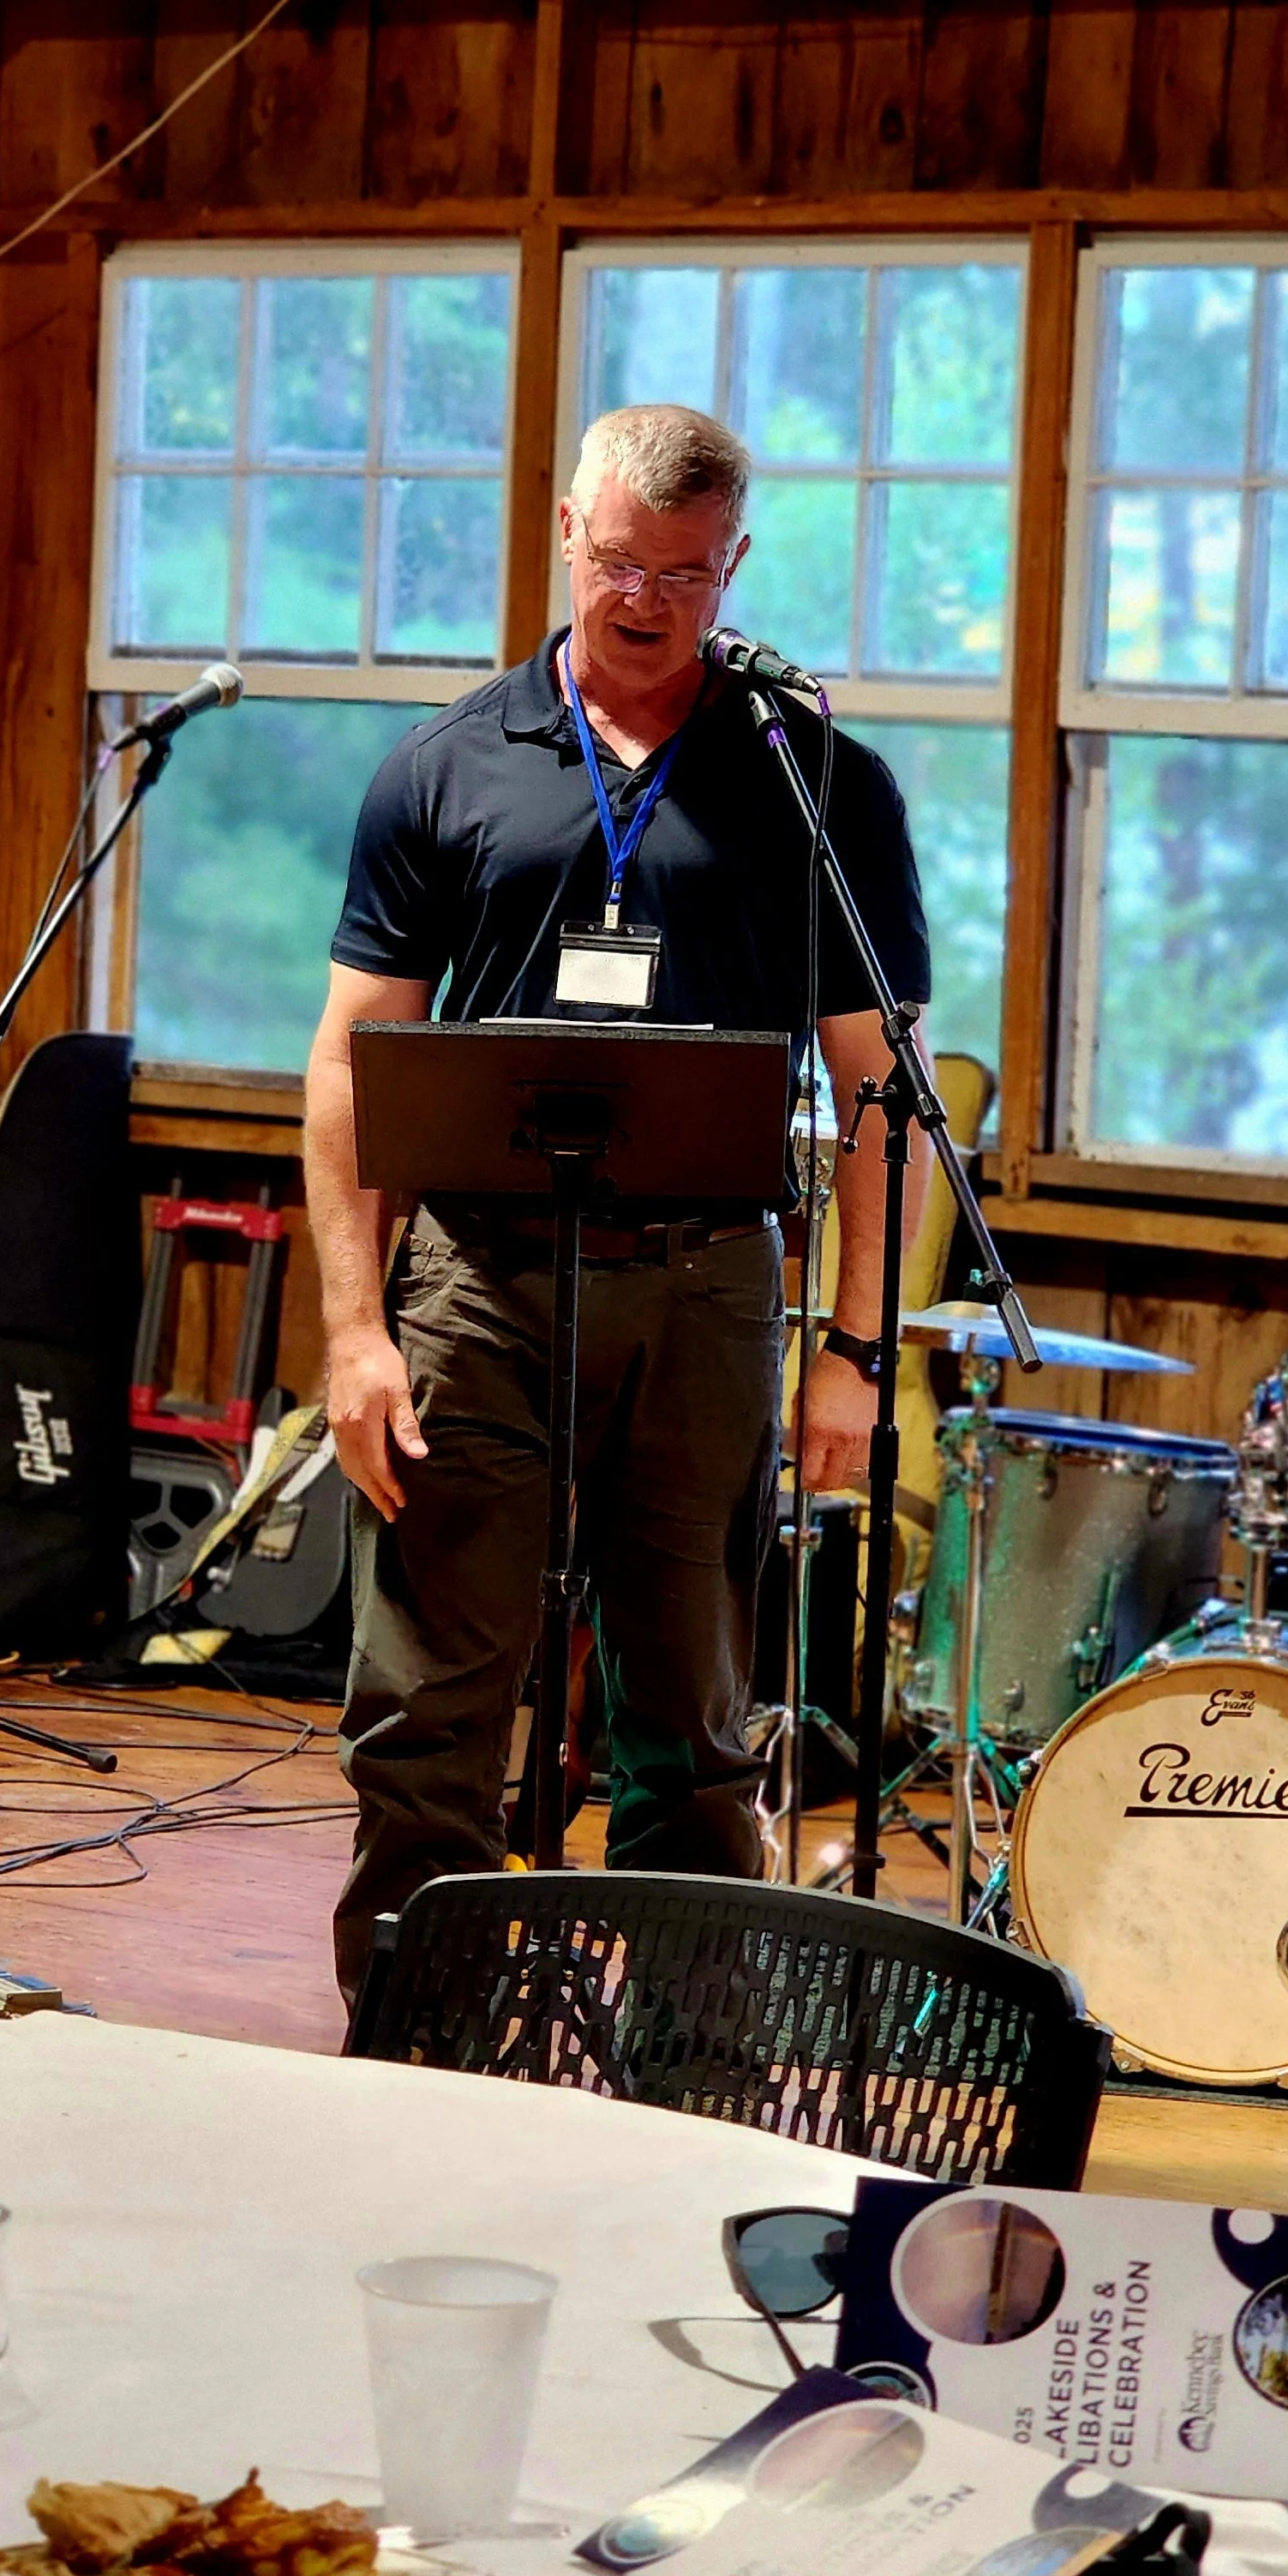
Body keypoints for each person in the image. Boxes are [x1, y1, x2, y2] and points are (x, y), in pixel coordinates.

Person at [304, 402, 932, 2005]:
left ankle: (686, 2070)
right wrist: (356, 1333)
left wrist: (859, 1348)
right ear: (564, 531)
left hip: (708, 1286)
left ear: (735, 569)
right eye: (616, 558)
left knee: (695, 1718)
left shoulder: (819, 786)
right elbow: (347, 1071)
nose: (644, 598)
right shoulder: (445, 767)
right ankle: (418, 2035)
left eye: (685, 573)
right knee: (434, 1702)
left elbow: (882, 1093)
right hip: (477, 1287)